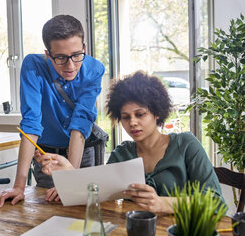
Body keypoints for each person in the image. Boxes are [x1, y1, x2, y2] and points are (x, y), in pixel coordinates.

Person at [34, 71, 225, 213]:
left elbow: (217, 203)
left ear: (157, 113)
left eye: (140, 114)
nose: (132, 122)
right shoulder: (122, 154)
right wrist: (68, 171)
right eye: (125, 117)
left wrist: (162, 203)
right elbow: (96, 194)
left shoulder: (186, 145)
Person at [0, 15, 105, 207]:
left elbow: (80, 123)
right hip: (46, 156)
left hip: (82, 154)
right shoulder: (33, 66)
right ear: (48, 54)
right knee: (48, 214)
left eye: (77, 55)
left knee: (83, 211)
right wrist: (19, 186)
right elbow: (31, 123)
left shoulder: (94, 69)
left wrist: (70, 178)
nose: (71, 66)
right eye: (60, 58)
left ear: (84, 48)